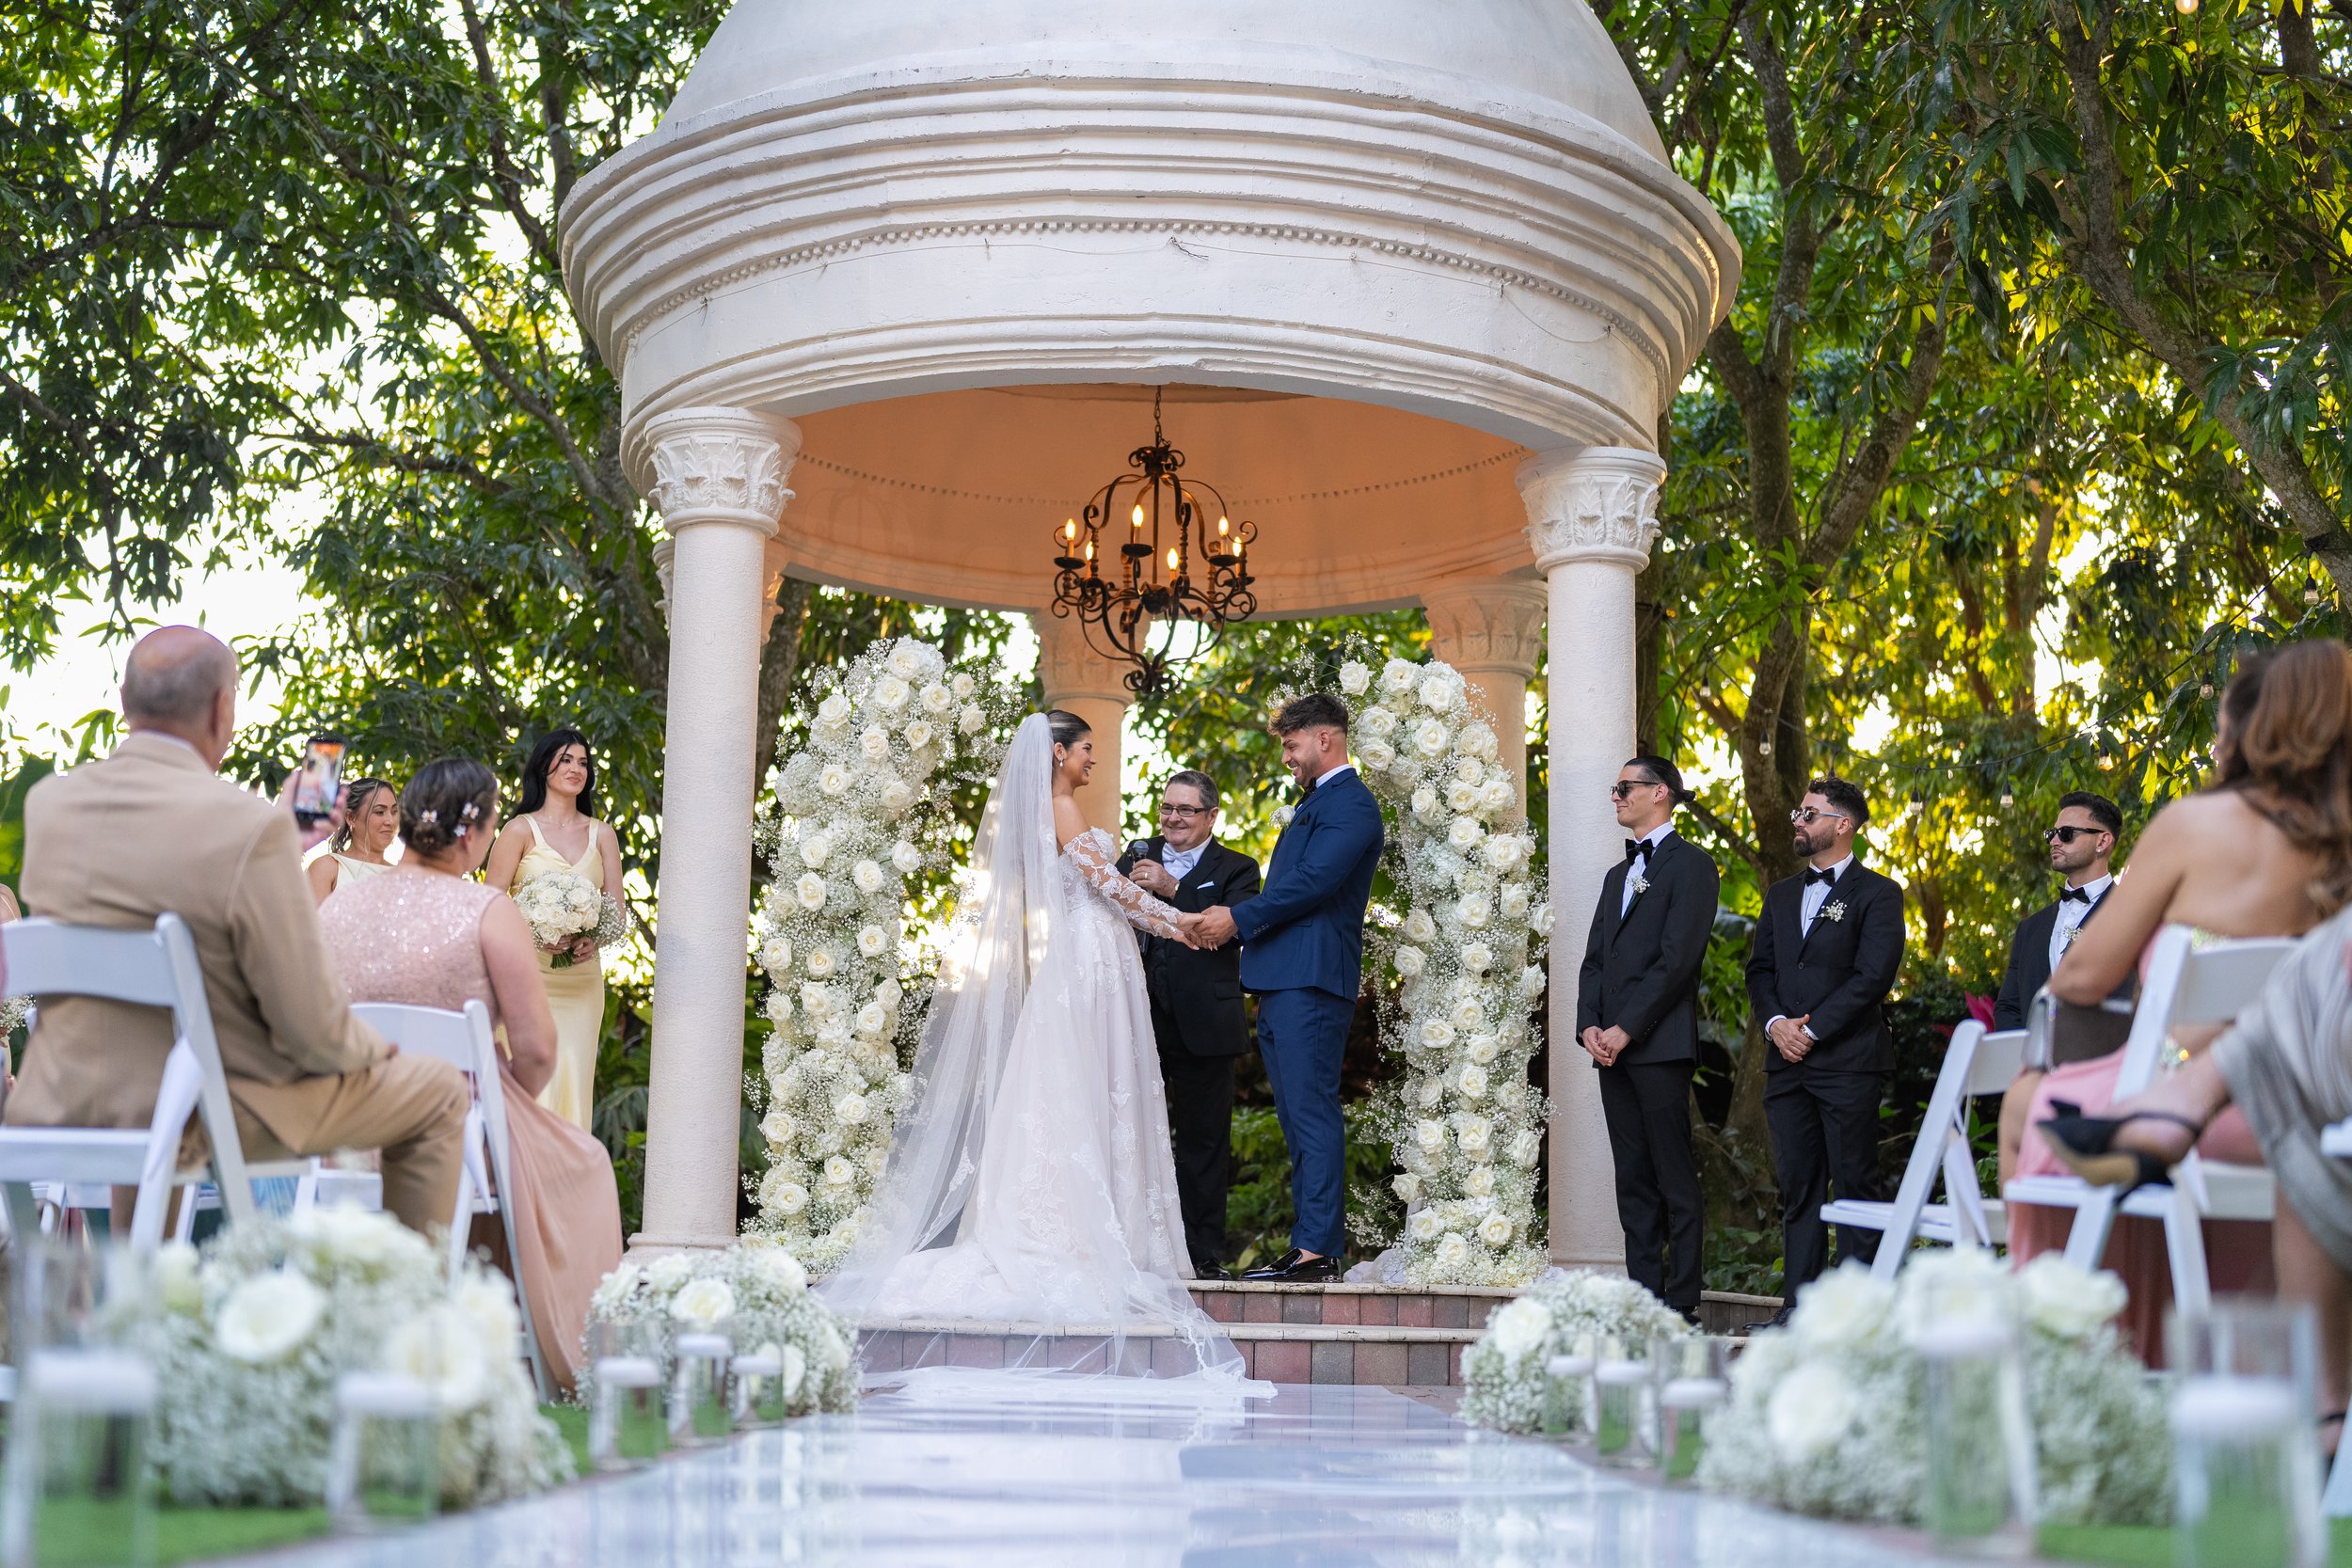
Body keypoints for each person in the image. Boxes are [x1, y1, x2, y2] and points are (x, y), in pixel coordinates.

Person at [822, 712, 1246, 1382]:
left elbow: (1113, 891)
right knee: (1077, 1089)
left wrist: (1171, 920)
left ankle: (1101, 1224)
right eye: (1086, 749)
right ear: (1057, 752)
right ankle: (1065, 1231)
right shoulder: (1060, 807)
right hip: (1088, 960)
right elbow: (1112, 889)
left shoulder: (1065, 805)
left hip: (1098, 959)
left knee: (1091, 1090)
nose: (1092, 761)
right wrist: (1182, 922)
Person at [6, 626, 469, 1236]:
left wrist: (277, 842)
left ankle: (137, 1289)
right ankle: (401, 1310)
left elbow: (145, 889)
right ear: (223, 708)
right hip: (205, 1108)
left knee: (155, 1075)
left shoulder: (51, 805)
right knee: (436, 1088)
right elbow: (311, 1029)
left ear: (124, 700)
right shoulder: (245, 827)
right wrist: (371, 1049)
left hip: (69, 1098)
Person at [2011, 640, 2352, 1356]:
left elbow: (2078, 980)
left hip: (2189, 1110)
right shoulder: (2340, 840)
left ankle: (2058, 1347)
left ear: (2253, 734)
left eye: (2224, 728)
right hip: (2309, 1121)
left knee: (2032, 1105)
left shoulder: (2194, 825)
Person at [320, 757, 624, 1395]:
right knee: (587, 1161)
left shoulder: (337, 909)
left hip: (341, 1127)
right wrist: (495, 1091)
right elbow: (538, 1050)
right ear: (472, 832)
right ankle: (545, 1347)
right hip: (454, 1127)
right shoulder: (486, 909)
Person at [2039, 905, 2352, 1435]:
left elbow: (2077, 979)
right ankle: (2315, 1407)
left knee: (2036, 1107)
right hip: (2283, 1099)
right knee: (2300, 1128)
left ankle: (2070, 1339)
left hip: (2241, 1097)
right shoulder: (2318, 885)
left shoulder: (2190, 852)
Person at [1194, 693, 1385, 1284]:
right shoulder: (1319, 803)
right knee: (1298, 1118)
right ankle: (1310, 1243)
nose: (1286, 757)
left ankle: (1318, 1250)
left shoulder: (1351, 805)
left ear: (1325, 738)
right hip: (1283, 980)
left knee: (1311, 1114)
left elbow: (1313, 883)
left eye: (1291, 745)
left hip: (1310, 979)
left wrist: (1237, 917)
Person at [1745, 776, 1906, 1309]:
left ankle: (1861, 1316)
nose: (1798, 821)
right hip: (1786, 1065)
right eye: (1798, 811)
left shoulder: (1880, 894)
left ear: (1843, 825)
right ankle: (1799, 1312)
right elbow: (1760, 970)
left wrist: (1810, 1030)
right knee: (1799, 1191)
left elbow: (1871, 977)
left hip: (1847, 1063)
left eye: (1809, 814)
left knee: (1856, 1186)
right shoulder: (1782, 894)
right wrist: (1777, 1026)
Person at [1578, 755, 1718, 1322]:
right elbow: (1593, 961)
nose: (1616, 797)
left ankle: (1682, 1303)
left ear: (1660, 792)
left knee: (1672, 1174)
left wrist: (1626, 1028)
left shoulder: (1693, 867)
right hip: (1610, 1052)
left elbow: (1677, 961)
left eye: (1624, 788)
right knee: (1631, 1176)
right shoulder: (1617, 876)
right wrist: (1589, 1026)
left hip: (1659, 1046)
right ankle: (1644, 1300)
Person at [1119, 770, 1262, 1279]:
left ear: (1211, 816)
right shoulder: (1133, 857)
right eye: (1166, 808)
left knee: (1204, 1142)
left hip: (1207, 1022)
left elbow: (1227, 930)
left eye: (1186, 810)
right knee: (1131, 1135)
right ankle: (1133, 1249)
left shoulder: (1239, 870)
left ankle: (1201, 1257)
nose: (1173, 818)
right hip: (1136, 1021)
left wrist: (1173, 887)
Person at [485, 729, 626, 1132]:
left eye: (582, 762)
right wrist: (532, 935)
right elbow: (488, 907)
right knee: (531, 1087)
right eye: (566, 760)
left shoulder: (603, 835)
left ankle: (565, 1186)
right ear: (544, 766)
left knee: (573, 1077)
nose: (575, 769)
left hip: (581, 984)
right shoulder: (518, 831)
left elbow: (616, 911)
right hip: (525, 981)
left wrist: (593, 939)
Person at [1993, 791, 2131, 1185]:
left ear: (2103, 841)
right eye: (2053, 832)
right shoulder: (2031, 929)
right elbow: (2009, 1007)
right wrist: (2021, 1067)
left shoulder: (2131, 915)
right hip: (2032, 1089)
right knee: (2028, 1190)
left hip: (2108, 1086)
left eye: (2067, 833)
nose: (2054, 840)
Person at [307, 776, 400, 904]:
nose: (390, 821)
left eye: (394, 811)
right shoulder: (328, 868)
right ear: (351, 818)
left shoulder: (403, 875)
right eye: (379, 812)